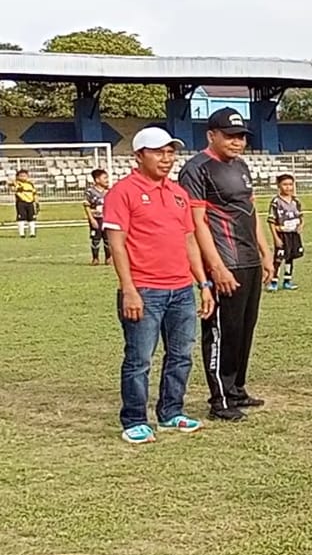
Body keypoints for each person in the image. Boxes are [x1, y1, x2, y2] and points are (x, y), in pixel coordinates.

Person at [102, 128, 215, 443]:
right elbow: (117, 244)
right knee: (139, 359)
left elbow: (189, 240)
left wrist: (203, 283)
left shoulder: (178, 192)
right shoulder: (122, 192)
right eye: (158, 152)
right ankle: (134, 419)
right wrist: (129, 289)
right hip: (145, 290)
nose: (166, 158)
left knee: (181, 355)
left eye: (170, 152)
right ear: (139, 156)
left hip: (181, 290)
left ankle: (170, 412)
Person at [180, 108, 275, 421]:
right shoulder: (197, 169)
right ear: (212, 135)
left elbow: (252, 210)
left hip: (248, 258)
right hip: (224, 259)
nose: (237, 142)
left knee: (245, 328)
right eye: (230, 136)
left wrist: (266, 251)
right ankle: (219, 399)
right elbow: (196, 224)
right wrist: (216, 267)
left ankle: (236, 389)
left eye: (241, 137)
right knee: (223, 330)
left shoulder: (241, 165)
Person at [268, 174, 306, 292]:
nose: (288, 187)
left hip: (293, 234)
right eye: (285, 184)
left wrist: (301, 225)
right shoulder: (276, 202)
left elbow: (301, 216)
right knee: (279, 258)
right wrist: (276, 237)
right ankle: (273, 281)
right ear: (279, 186)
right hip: (282, 234)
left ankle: (287, 281)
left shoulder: (296, 201)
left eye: (290, 184)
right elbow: (271, 221)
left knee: (290, 257)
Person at [84, 169, 110, 264]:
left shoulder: (109, 191)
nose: (107, 180)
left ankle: (108, 258)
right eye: (105, 178)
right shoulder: (90, 192)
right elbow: (86, 206)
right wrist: (91, 219)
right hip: (96, 218)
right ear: (97, 180)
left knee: (107, 239)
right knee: (96, 238)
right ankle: (95, 258)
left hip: (107, 219)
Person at [13, 169, 38, 238]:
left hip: (30, 203)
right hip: (21, 202)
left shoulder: (30, 184)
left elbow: (34, 193)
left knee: (31, 218)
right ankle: (22, 234)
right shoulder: (17, 183)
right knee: (21, 218)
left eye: (25, 176)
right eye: (21, 176)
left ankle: (32, 233)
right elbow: (10, 183)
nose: (23, 177)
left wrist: (36, 202)